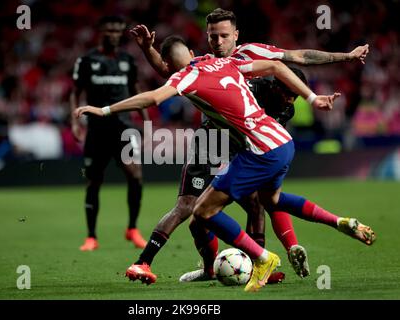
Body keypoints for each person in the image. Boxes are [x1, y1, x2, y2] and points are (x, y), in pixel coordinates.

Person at [73, 43, 375, 292]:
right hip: (280, 141)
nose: (218, 40)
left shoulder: (185, 77)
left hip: (257, 149)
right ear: (195, 49)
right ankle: (338, 221)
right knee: (268, 201)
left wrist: (103, 109)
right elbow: (280, 64)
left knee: (201, 211)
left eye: (223, 34)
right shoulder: (223, 62)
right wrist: (313, 95)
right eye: (213, 34)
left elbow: (152, 96)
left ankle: (261, 258)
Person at [70, 16, 149, 251]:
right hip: (96, 130)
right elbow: (75, 92)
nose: (114, 34)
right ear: (101, 31)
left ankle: (132, 229)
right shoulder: (86, 60)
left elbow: (135, 89)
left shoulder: (127, 60)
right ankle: (91, 236)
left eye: (118, 30)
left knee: (135, 175)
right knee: (94, 181)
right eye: (110, 30)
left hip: (123, 127)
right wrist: (74, 123)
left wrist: (145, 119)